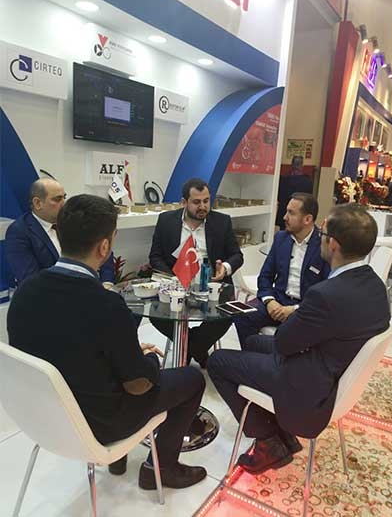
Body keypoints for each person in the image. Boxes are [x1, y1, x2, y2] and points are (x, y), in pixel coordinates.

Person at [7, 194, 207, 489]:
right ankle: (161, 469)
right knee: (192, 379)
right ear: (104, 247)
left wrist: (126, 351)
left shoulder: (25, 294)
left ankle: (120, 460)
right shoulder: (106, 304)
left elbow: (67, 348)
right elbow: (139, 385)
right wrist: (149, 360)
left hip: (45, 419)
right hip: (100, 423)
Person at [207, 203, 390, 475]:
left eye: (323, 234)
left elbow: (284, 342)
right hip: (329, 365)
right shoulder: (375, 285)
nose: (320, 239)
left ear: (333, 244)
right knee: (254, 342)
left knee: (218, 361)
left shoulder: (326, 295)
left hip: (307, 383)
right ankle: (282, 431)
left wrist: (295, 316)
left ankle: (268, 441)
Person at [149, 177, 243, 368]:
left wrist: (224, 268)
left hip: (211, 288)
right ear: (184, 202)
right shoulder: (166, 220)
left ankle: (189, 349)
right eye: (196, 202)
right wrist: (174, 278)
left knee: (226, 317)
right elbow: (155, 257)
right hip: (176, 287)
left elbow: (237, 255)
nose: (203, 206)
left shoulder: (222, 222)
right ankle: (198, 350)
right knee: (154, 314)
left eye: (206, 201)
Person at [235, 193, 330, 349]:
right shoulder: (281, 238)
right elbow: (265, 277)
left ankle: (275, 361)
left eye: (291, 213)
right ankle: (250, 357)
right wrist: (270, 301)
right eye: (286, 211)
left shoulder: (324, 245)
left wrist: (294, 309)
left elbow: (326, 291)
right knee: (242, 317)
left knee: (287, 335)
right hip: (277, 301)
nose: (284, 217)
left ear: (307, 219)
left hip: (304, 309)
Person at [5, 178, 114, 286]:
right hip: (52, 294)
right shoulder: (19, 232)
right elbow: (30, 280)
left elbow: (101, 247)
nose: (64, 204)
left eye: (64, 197)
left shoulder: (72, 220)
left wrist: (107, 282)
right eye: (57, 199)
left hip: (90, 287)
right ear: (37, 203)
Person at [275, 155, 313, 229]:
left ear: (292, 164)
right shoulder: (308, 182)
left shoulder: (283, 180)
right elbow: (309, 200)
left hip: (284, 213)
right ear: (302, 166)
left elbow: (279, 197)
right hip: (300, 214)